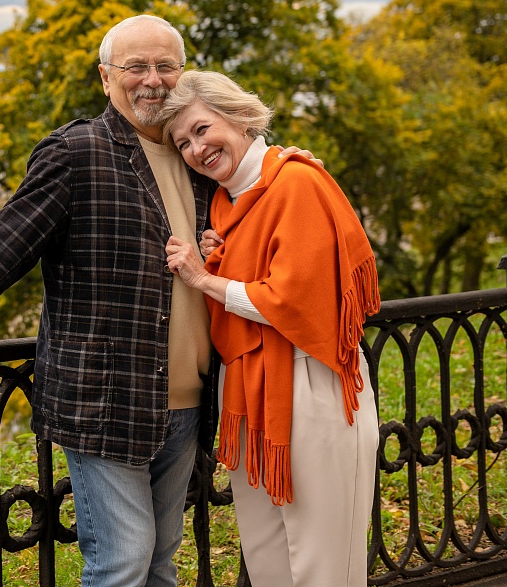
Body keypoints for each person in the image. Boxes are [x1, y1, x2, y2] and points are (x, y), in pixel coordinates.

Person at [0, 14, 219, 587]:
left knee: (160, 561)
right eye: (136, 67)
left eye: (165, 66)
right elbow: (2, 249)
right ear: (106, 78)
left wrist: (291, 165)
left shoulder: (199, 153)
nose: (153, 79)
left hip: (189, 401)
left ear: (183, 72)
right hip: (107, 399)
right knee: (123, 562)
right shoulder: (77, 152)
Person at [160, 70, 379, 587]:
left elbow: (293, 299)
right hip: (249, 392)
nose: (196, 149)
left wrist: (203, 278)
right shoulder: (225, 203)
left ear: (239, 117)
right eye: (183, 143)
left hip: (309, 381)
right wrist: (221, 261)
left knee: (323, 566)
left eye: (201, 129)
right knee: (269, 564)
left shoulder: (295, 183)